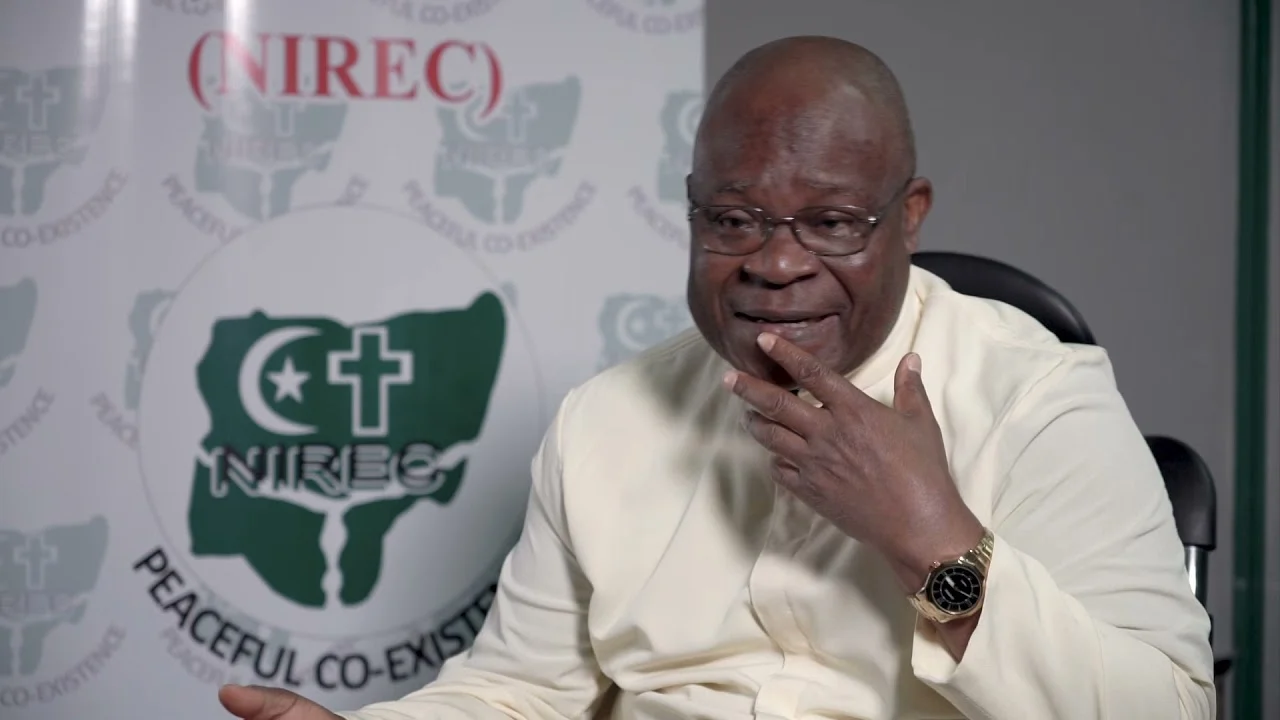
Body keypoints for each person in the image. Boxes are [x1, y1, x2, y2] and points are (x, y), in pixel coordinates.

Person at [218, 36, 1215, 720]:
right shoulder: (604, 421)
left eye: (830, 223)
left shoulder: (1036, 402)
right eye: (733, 221)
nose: (775, 264)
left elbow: (1169, 708)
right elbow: (521, 694)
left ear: (907, 217)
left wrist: (934, 543)